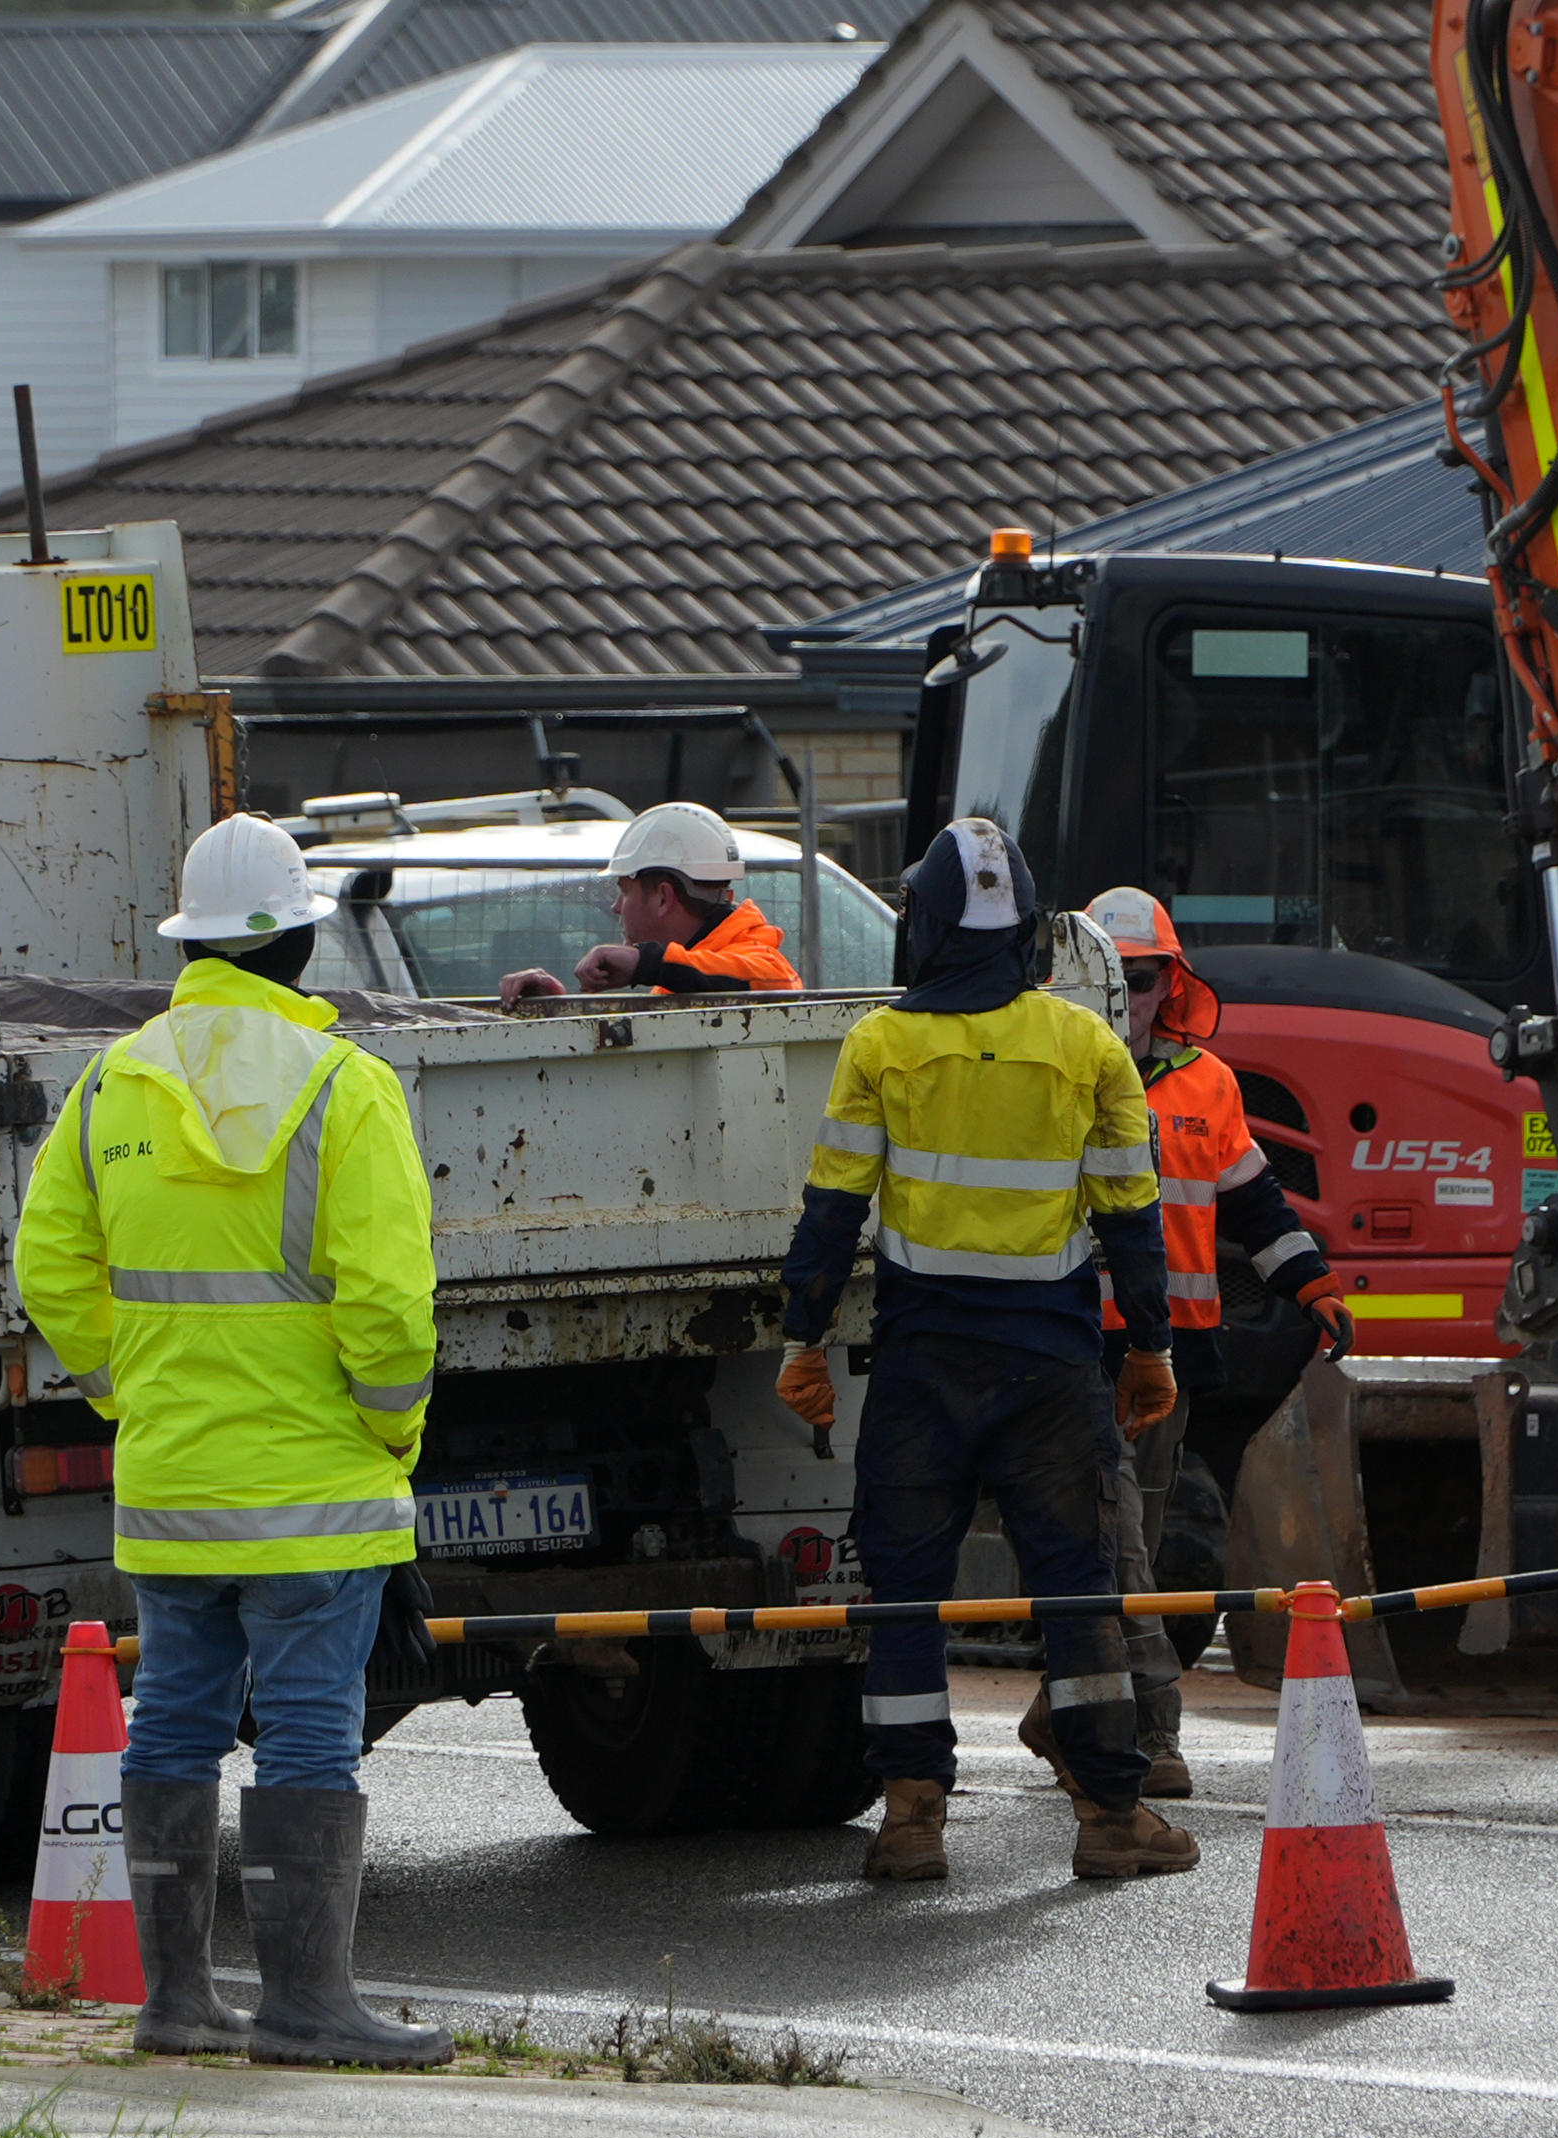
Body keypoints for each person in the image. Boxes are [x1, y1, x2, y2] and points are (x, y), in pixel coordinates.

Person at [17, 813, 448, 2069]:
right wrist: (388, 1429)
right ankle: (309, 2005)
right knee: (309, 1727)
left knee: (171, 1724)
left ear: (192, 943)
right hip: (316, 1491)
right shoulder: (345, 1088)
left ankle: (175, 2002)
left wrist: (120, 1389)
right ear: (304, 940)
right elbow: (385, 1305)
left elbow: (48, 1263)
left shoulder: (112, 1083)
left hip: (169, 1487)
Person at [775, 816, 1200, 1886]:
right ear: (1032, 933)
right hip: (1051, 1374)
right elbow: (1131, 1221)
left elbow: (830, 1213)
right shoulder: (1088, 1046)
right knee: (1074, 1588)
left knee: (907, 1591)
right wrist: (1148, 1350)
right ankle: (1109, 1815)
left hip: (922, 1368)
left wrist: (802, 1342)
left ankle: (911, 1819)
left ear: (919, 923)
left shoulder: (881, 1045)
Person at [1030, 887, 1361, 1803]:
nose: (1131, 997)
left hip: (1168, 1352)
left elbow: (1254, 1202)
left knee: (1129, 1541)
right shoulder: (1050, 1072)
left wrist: (1313, 1284)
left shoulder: (1207, 1083)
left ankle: (1061, 1714)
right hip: (1078, 1348)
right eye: (1116, 978)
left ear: (1169, 985)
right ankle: (1153, 1729)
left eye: (1146, 980)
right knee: (1124, 1543)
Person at [497, 801, 804, 1005]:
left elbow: (776, 982)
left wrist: (644, 962)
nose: (617, 907)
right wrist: (557, 1005)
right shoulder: (682, 975)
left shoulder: (754, 962)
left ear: (663, 897)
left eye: (625, 891)